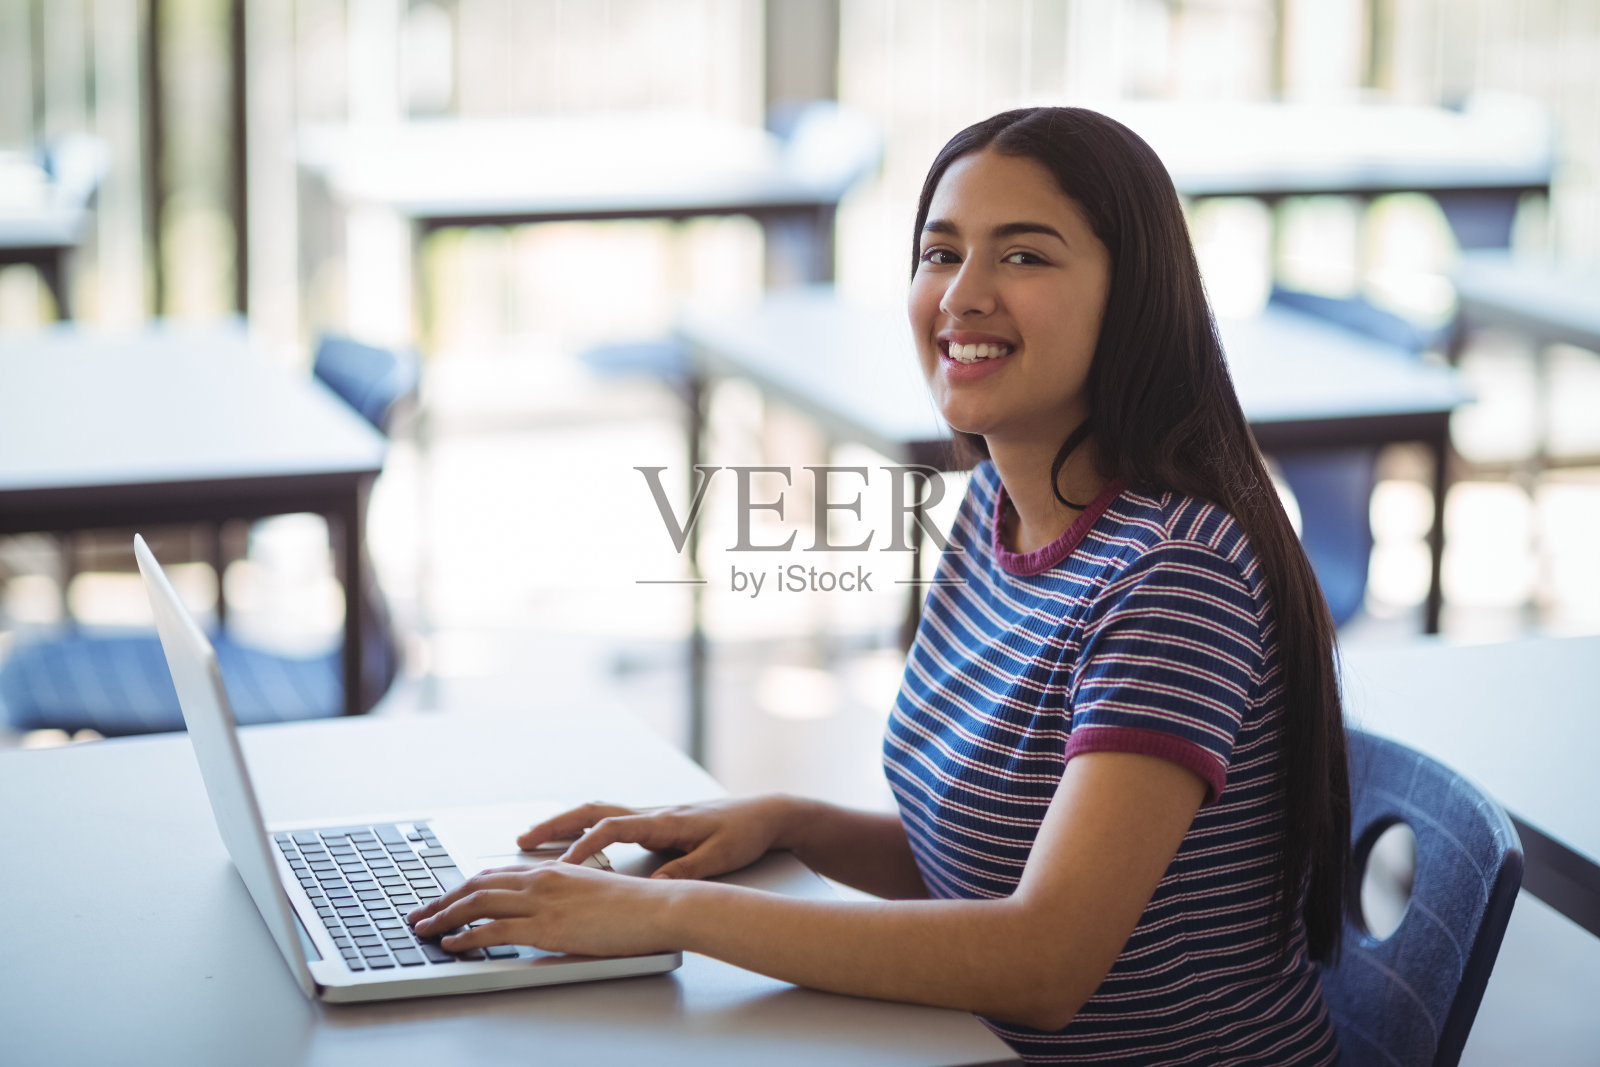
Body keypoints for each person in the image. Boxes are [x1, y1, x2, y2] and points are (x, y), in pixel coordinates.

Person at [408, 107, 1351, 1065]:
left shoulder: (1171, 575)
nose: (963, 295)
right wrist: (790, 822)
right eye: (941, 254)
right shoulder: (998, 502)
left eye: (1024, 258)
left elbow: (1043, 961)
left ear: (1134, 297)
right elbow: (988, 859)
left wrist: (668, 912)